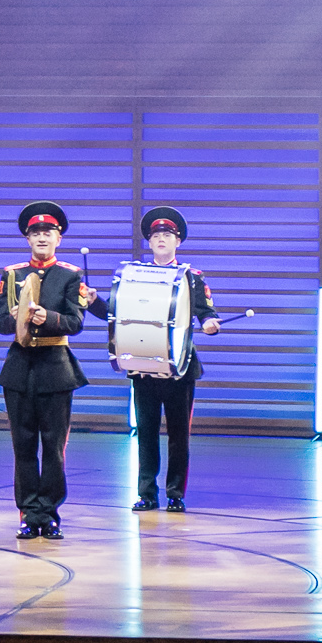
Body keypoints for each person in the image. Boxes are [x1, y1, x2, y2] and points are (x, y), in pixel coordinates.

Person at [0, 201, 90, 542]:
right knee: (23, 445)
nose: (42, 237)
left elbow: (76, 323)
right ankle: (28, 512)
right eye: (36, 232)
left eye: (48, 232)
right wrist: (17, 316)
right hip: (19, 368)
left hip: (55, 366)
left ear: (58, 238)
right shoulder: (12, 274)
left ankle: (49, 513)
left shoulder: (69, 275)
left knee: (52, 446)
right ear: (27, 238)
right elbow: (0, 324)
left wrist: (44, 317)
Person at [118, 205, 219, 513]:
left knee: (179, 436)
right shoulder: (134, 275)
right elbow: (118, 312)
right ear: (149, 242)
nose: (161, 239)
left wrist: (209, 324)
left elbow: (206, 312)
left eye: (167, 235)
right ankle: (146, 493)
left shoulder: (192, 278)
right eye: (156, 235)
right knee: (145, 434)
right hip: (145, 365)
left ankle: (175, 492)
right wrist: (94, 301)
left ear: (178, 242)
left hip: (180, 368)